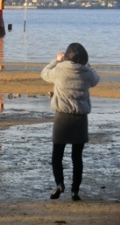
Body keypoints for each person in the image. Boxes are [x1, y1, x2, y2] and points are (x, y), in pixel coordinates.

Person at [41, 42, 99, 201]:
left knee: (57, 155)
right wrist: (89, 66)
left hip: (62, 118)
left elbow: (44, 73)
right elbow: (96, 79)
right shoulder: (86, 72)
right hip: (80, 119)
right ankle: (75, 191)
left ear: (66, 55)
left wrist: (56, 61)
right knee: (77, 157)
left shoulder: (60, 70)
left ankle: (59, 184)